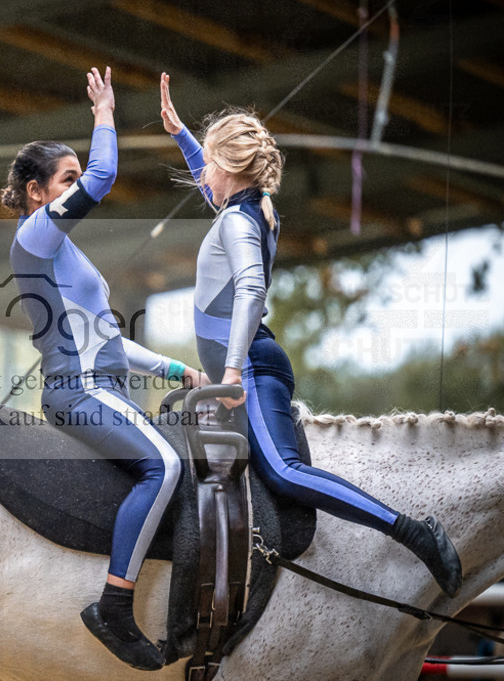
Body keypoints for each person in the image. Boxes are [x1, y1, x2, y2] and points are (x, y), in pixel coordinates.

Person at [158, 72, 462, 597]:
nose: (201, 171)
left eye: (208, 161)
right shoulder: (248, 210)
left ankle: (412, 532)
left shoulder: (237, 220)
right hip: (255, 359)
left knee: (283, 471)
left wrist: (230, 370)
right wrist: (183, 134)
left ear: (228, 166)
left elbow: (251, 291)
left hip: (250, 364)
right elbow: (218, 192)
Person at [2, 66, 207, 671]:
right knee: (165, 462)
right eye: (64, 180)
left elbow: (110, 337)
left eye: (73, 179)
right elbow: (105, 174)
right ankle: (115, 606)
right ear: (39, 193)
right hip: (82, 389)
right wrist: (104, 114)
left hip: (106, 385)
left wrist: (178, 371)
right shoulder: (35, 237)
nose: (76, 188)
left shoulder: (64, 250)